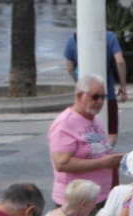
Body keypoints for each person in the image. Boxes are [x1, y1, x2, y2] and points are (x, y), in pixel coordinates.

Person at [48, 77, 121, 206]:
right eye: (95, 97)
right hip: (78, 202)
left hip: (101, 197)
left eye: (103, 97)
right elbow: (62, 164)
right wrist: (102, 163)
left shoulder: (96, 120)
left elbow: (99, 152)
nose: (100, 101)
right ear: (80, 95)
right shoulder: (65, 123)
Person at [62, 28, 129, 144]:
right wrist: (123, 86)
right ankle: (103, 154)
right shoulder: (110, 37)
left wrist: (79, 84)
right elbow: (120, 61)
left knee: (83, 129)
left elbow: (69, 67)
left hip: (84, 95)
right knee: (111, 131)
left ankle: (90, 154)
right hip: (108, 93)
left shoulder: (72, 40)